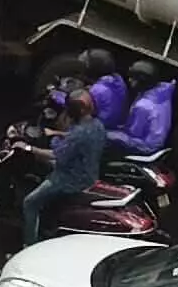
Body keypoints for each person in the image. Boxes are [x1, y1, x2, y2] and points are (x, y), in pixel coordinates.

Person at [17, 82, 109, 246]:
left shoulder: (79, 133)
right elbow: (75, 138)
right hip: (89, 173)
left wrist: (29, 148)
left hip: (69, 179)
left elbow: (56, 156)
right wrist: (56, 133)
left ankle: (28, 245)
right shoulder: (97, 125)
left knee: (30, 203)